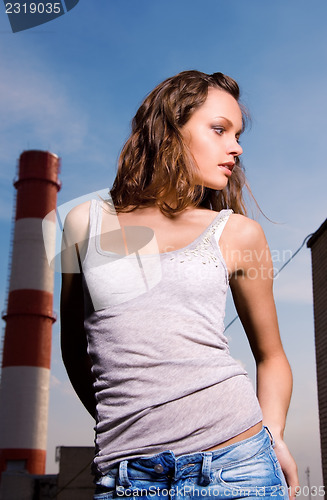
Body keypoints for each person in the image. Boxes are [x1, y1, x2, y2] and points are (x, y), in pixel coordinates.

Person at [60, 70, 299, 500]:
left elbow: (272, 355)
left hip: (238, 466)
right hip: (128, 478)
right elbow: (76, 350)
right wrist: (127, 423)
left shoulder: (238, 234)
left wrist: (274, 433)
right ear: (170, 127)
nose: (236, 148)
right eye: (220, 129)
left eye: (238, 135)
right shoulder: (84, 224)